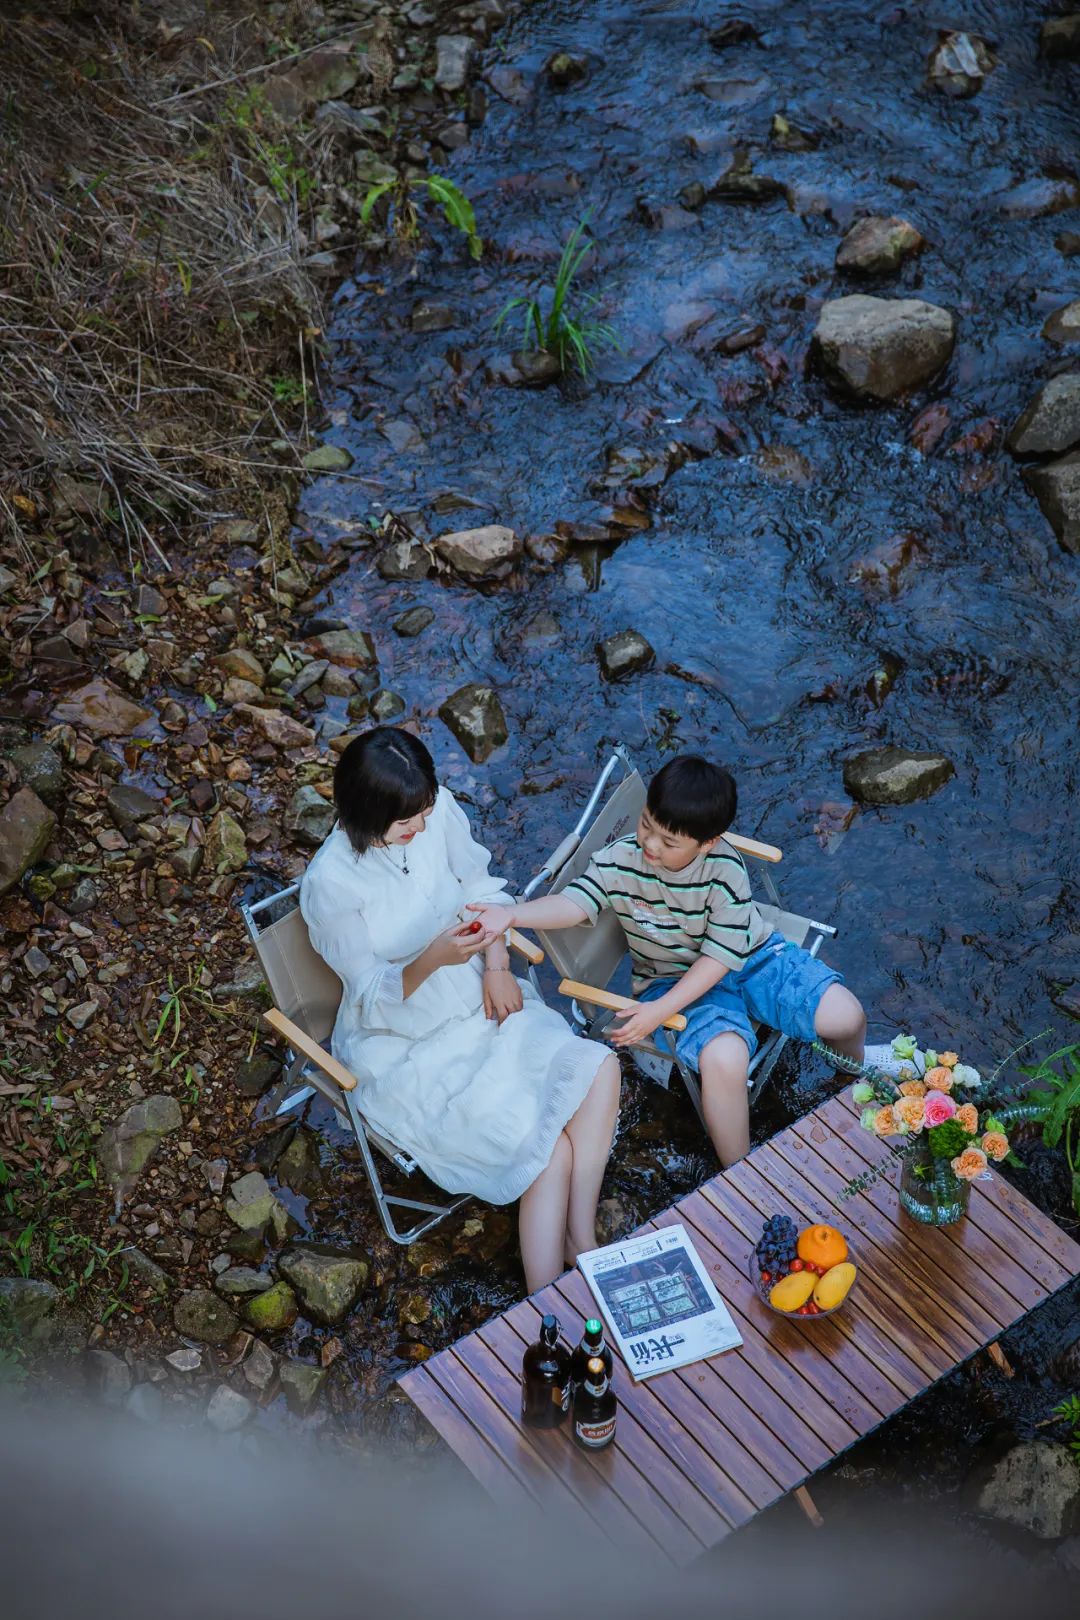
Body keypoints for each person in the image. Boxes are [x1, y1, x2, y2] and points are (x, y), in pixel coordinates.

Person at [299, 726, 620, 1293]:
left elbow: (480, 888)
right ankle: (545, 1301)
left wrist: (496, 965)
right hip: (403, 1039)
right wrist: (431, 959)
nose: (422, 828)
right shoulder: (331, 884)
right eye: (408, 823)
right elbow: (369, 994)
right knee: (545, 1151)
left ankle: (580, 1235)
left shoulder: (436, 808)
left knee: (599, 1068)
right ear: (367, 814)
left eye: (425, 812)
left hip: (474, 990)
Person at [468, 754, 867, 1168]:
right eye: (646, 825)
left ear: (707, 842)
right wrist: (513, 915)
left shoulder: (725, 869)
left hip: (751, 957)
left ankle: (854, 1079)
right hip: (671, 978)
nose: (651, 845)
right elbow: (574, 903)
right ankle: (741, 1171)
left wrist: (659, 1012)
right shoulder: (620, 861)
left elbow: (719, 958)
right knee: (725, 1061)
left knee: (846, 1016)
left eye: (670, 842)